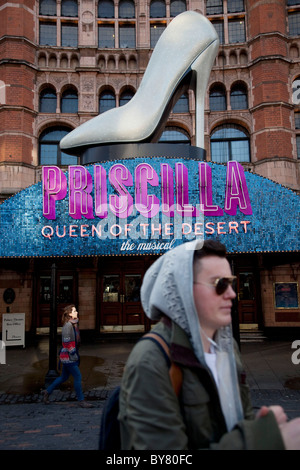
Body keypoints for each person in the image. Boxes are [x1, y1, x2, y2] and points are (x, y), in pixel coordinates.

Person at [118, 239, 300, 450]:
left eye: (231, 283)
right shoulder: (151, 361)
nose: (232, 293)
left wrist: (259, 426)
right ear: (182, 289)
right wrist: (266, 439)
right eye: (220, 284)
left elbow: (238, 418)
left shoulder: (227, 346)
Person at [43, 304, 93, 408]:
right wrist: (73, 352)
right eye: (74, 311)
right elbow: (66, 342)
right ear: (69, 314)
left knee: (63, 377)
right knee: (78, 377)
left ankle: (47, 392)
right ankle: (81, 400)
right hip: (69, 357)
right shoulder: (68, 326)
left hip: (69, 356)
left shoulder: (73, 324)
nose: (77, 312)